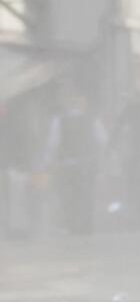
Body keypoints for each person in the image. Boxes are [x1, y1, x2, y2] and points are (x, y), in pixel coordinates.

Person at [42, 83, 109, 234]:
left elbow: (53, 144)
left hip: (67, 166)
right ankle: (86, 226)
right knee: (86, 196)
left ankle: (73, 225)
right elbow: (103, 141)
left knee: (69, 197)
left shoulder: (59, 120)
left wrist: (46, 163)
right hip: (87, 165)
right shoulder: (92, 119)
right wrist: (101, 161)